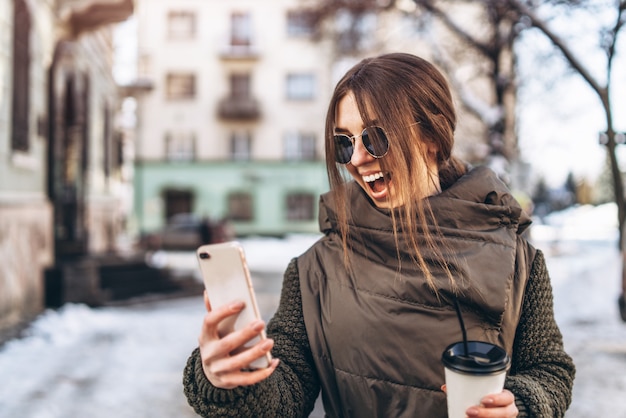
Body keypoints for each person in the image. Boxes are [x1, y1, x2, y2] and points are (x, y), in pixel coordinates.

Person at [183, 53, 575, 417]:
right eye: (344, 142)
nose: (357, 158)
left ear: (433, 136)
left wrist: (520, 404)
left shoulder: (518, 261)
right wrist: (226, 377)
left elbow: (550, 371)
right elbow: (285, 396)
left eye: (376, 136)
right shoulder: (313, 272)